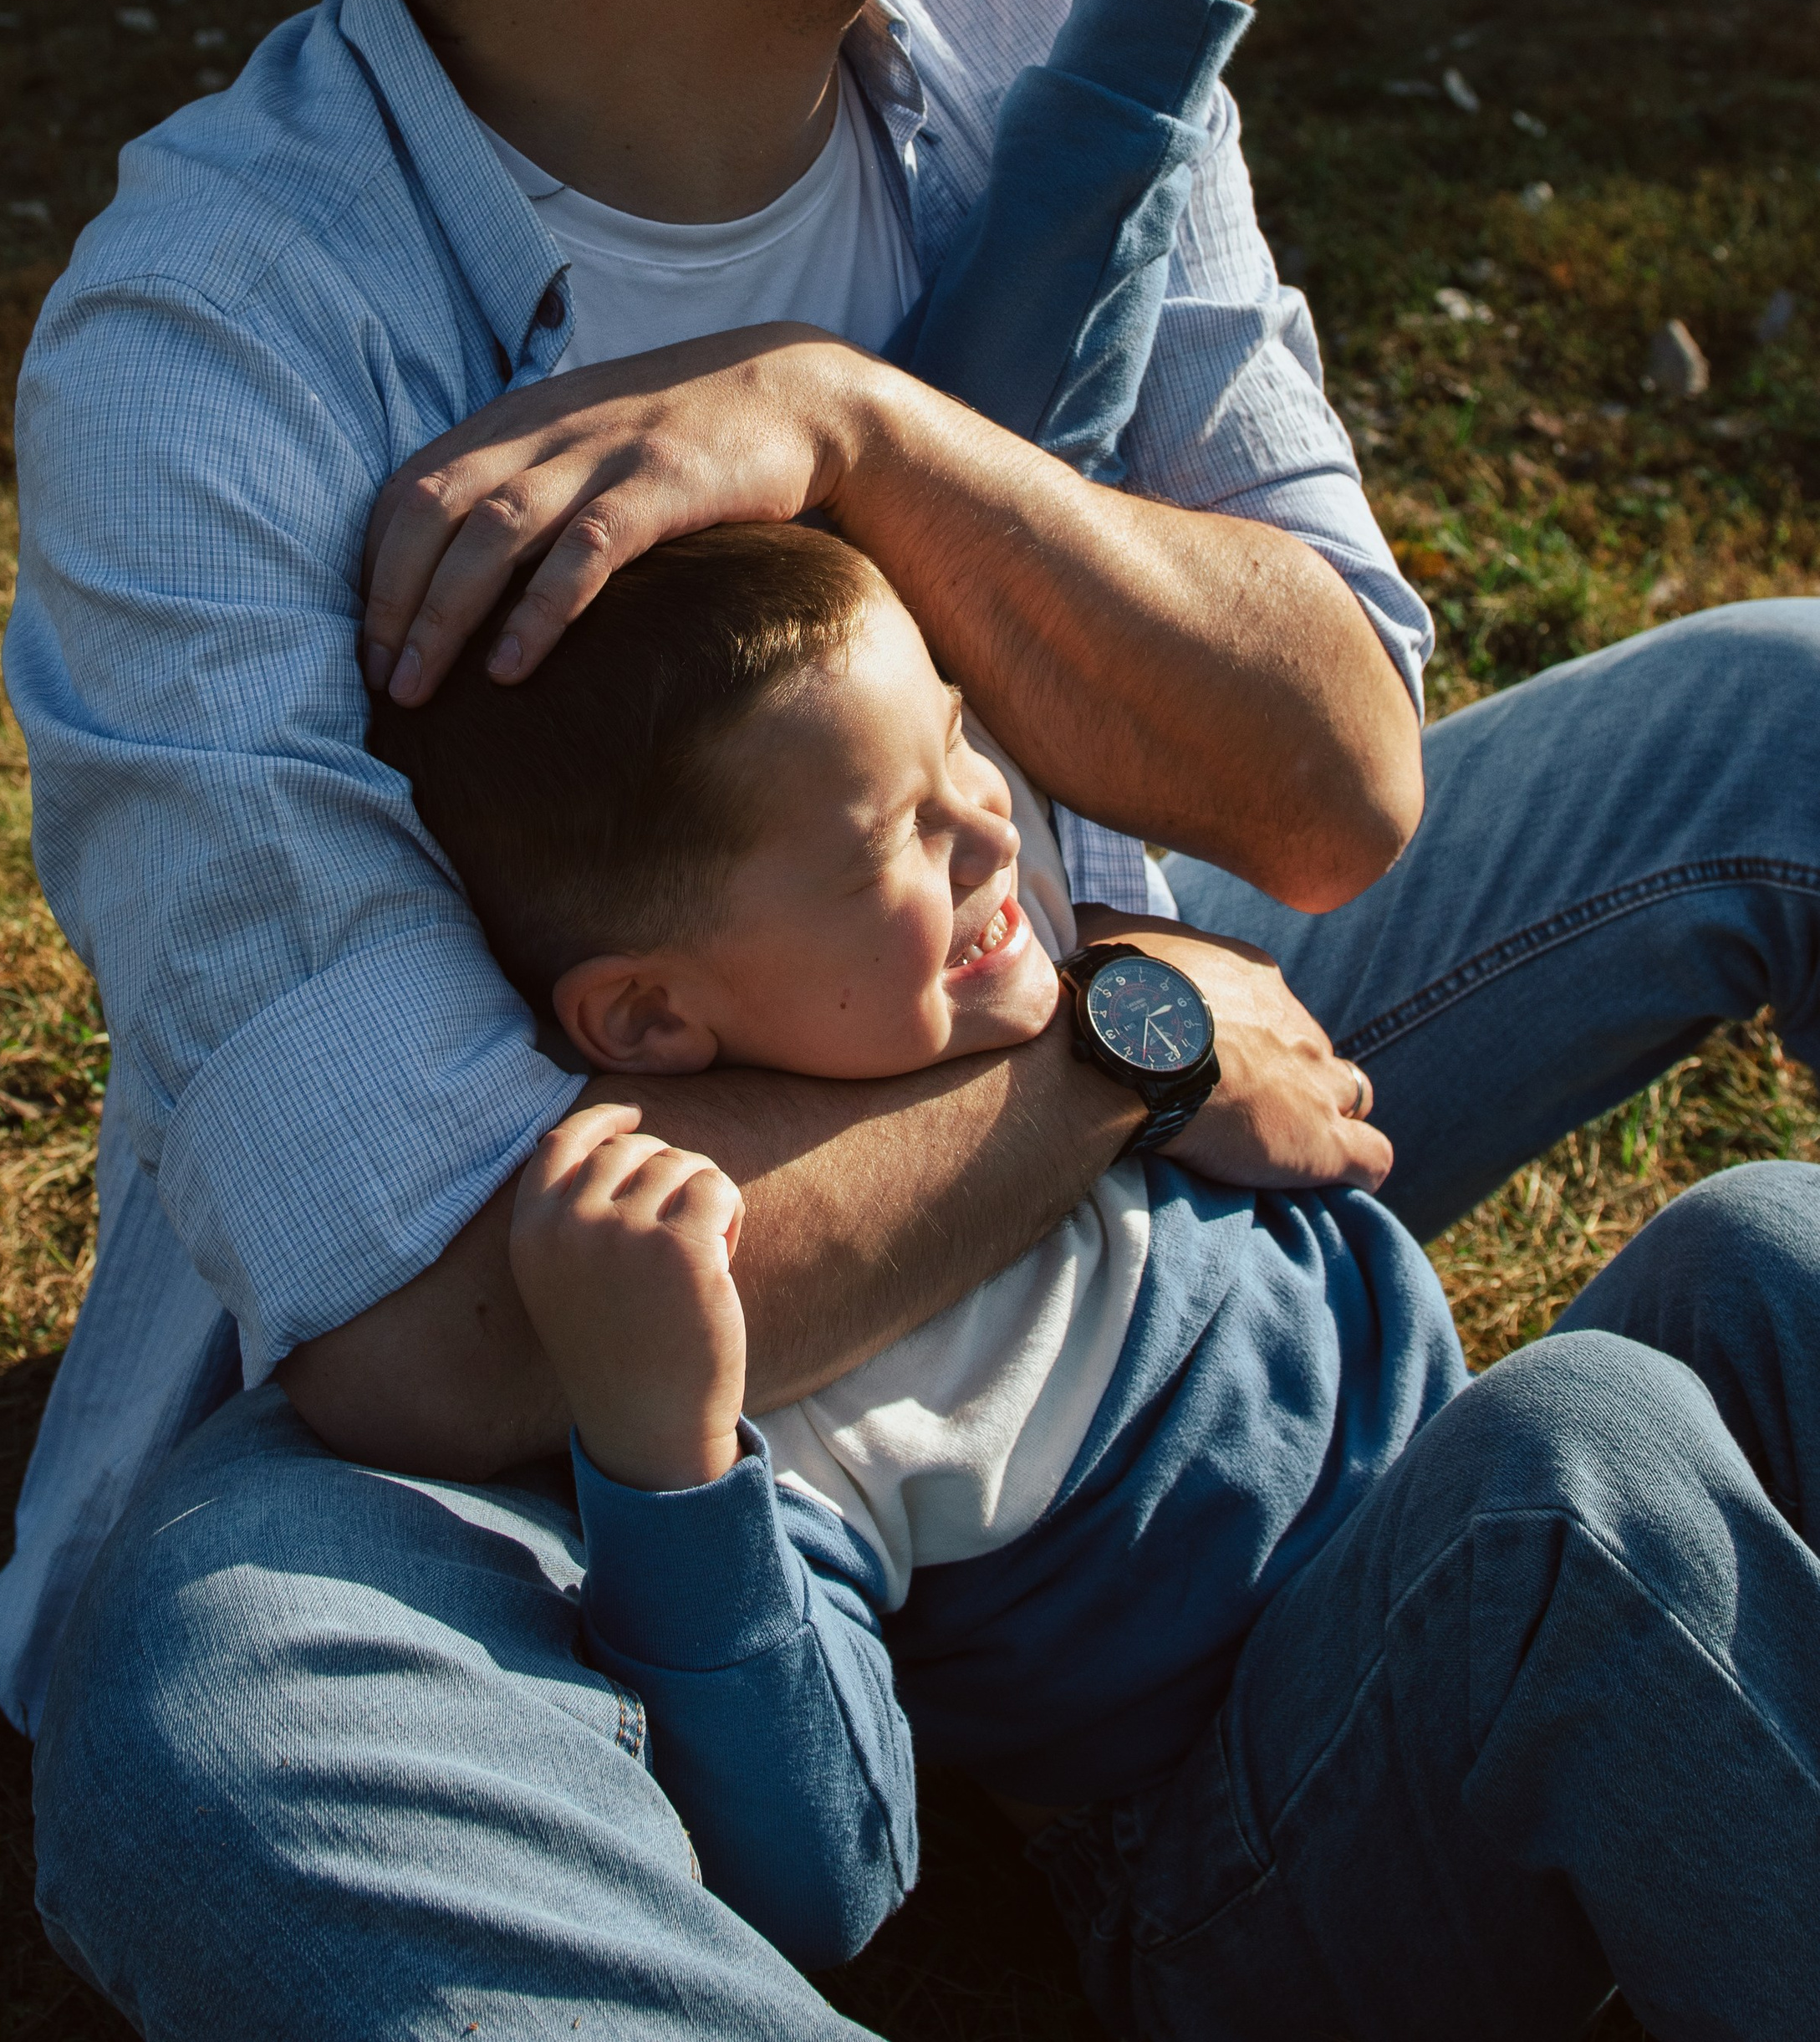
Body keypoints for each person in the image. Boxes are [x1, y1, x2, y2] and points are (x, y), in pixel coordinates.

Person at [0, 0, 1820, 2036]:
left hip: (1106, 1012)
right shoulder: (221, 343)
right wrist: (1119, 1054)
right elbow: (437, 1334)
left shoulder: (1056, 27)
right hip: (668, 1338)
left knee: (1792, 702)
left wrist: (865, 432)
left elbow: (1329, 792)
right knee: (215, 1706)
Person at [387, 521, 1820, 2040]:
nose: (992, 830)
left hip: (1427, 1588)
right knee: (1567, 1474)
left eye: (959, 739)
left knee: (1760, 1242)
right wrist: (669, 1469)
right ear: (656, 1015)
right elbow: (813, 1875)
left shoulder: (1004, 1027)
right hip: (1252, 1882)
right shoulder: (777, 1346)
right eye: (893, 835)